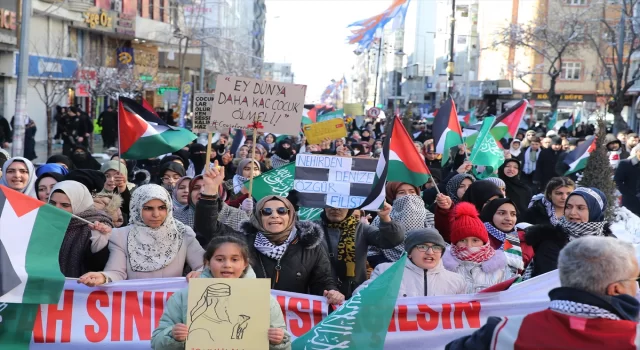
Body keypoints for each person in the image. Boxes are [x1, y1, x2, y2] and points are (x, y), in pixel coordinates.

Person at [446, 237, 640, 349]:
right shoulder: (634, 339)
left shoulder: (503, 331)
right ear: (616, 289)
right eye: (635, 280)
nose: (636, 287)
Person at [150, 235, 291, 350]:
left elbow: (286, 346)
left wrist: (278, 341)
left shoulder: (264, 300)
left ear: (245, 264)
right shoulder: (184, 297)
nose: (227, 265)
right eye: (219, 259)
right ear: (207, 262)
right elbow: (156, 343)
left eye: (234, 259)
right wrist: (172, 335)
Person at [77, 184, 205, 285]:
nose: (156, 214)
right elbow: (117, 272)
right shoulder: (121, 235)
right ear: (137, 208)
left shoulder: (182, 232)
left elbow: (203, 265)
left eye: (161, 207)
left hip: (173, 304)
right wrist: (103, 277)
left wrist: (199, 273)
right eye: (148, 208)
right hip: (137, 308)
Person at [240, 195, 345, 305]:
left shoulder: (310, 247)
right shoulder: (242, 244)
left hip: (292, 318)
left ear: (290, 215)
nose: (274, 215)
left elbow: (322, 280)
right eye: (266, 211)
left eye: (282, 211)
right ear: (257, 216)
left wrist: (331, 291)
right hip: (252, 312)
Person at [524, 187, 613, 279]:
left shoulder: (610, 241)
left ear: (594, 211)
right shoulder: (553, 242)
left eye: (580, 208)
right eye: (568, 207)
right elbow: (551, 282)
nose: (572, 212)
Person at [355, 229, 466, 297]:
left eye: (436, 247)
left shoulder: (456, 280)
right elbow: (359, 298)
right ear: (409, 253)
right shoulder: (386, 271)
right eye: (422, 247)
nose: (430, 252)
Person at [442, 202, 514, 293]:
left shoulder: (500, 268)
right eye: (463, 240)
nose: (469, 246)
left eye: (475, 240)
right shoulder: (442, 266)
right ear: (455, 243)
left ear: (484, 242)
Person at [49, 181, 113, 278]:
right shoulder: (43, 222)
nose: (57, 208)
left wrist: (99, 244)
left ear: (79, 204)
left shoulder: (96, 226)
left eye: (65, 205)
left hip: (78, 290)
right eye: (52, 203)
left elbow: (99, 268)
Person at [367, 182, 434, 269]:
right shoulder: (382, 217)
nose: (408, 196)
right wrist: (386, 267)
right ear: (393, 196)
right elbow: (372, 250)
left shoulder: (429, 216)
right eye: (401, 192)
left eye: (412, 192)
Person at [479, 198, 534, 274]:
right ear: (490, 214)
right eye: (502, 213)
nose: (509, 218)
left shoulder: (524, 239)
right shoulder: (479, 239)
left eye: (513, 214)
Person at [615, 145, 640, 216]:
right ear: (637, 152)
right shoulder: (625, 164)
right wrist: (628, 193)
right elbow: (617, 181)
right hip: (631, 202)